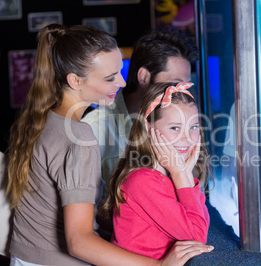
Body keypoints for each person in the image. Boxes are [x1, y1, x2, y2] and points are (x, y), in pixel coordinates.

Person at [6, 24, 212, 266]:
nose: (123, 83)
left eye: (120, 72)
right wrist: (158, 265)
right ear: (75, 80)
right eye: (110, 77)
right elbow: (79, 242)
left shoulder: (48, 118)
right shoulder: (80, 137)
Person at [82, 29, 198, 200]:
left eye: (186, 87)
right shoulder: (95, 128)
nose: (181, 93)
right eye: (175, 84)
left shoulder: (184, 124)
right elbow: (84, 210)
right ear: (144, 77)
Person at [100, 82, 210, 260]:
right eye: (175, 128)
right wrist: (182, 175)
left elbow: (201, 223)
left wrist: (185, 176)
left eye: (194, 127)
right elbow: (197, 236)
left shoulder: (173, 175)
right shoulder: (142, 181)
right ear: (149, 127)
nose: (187, 137)